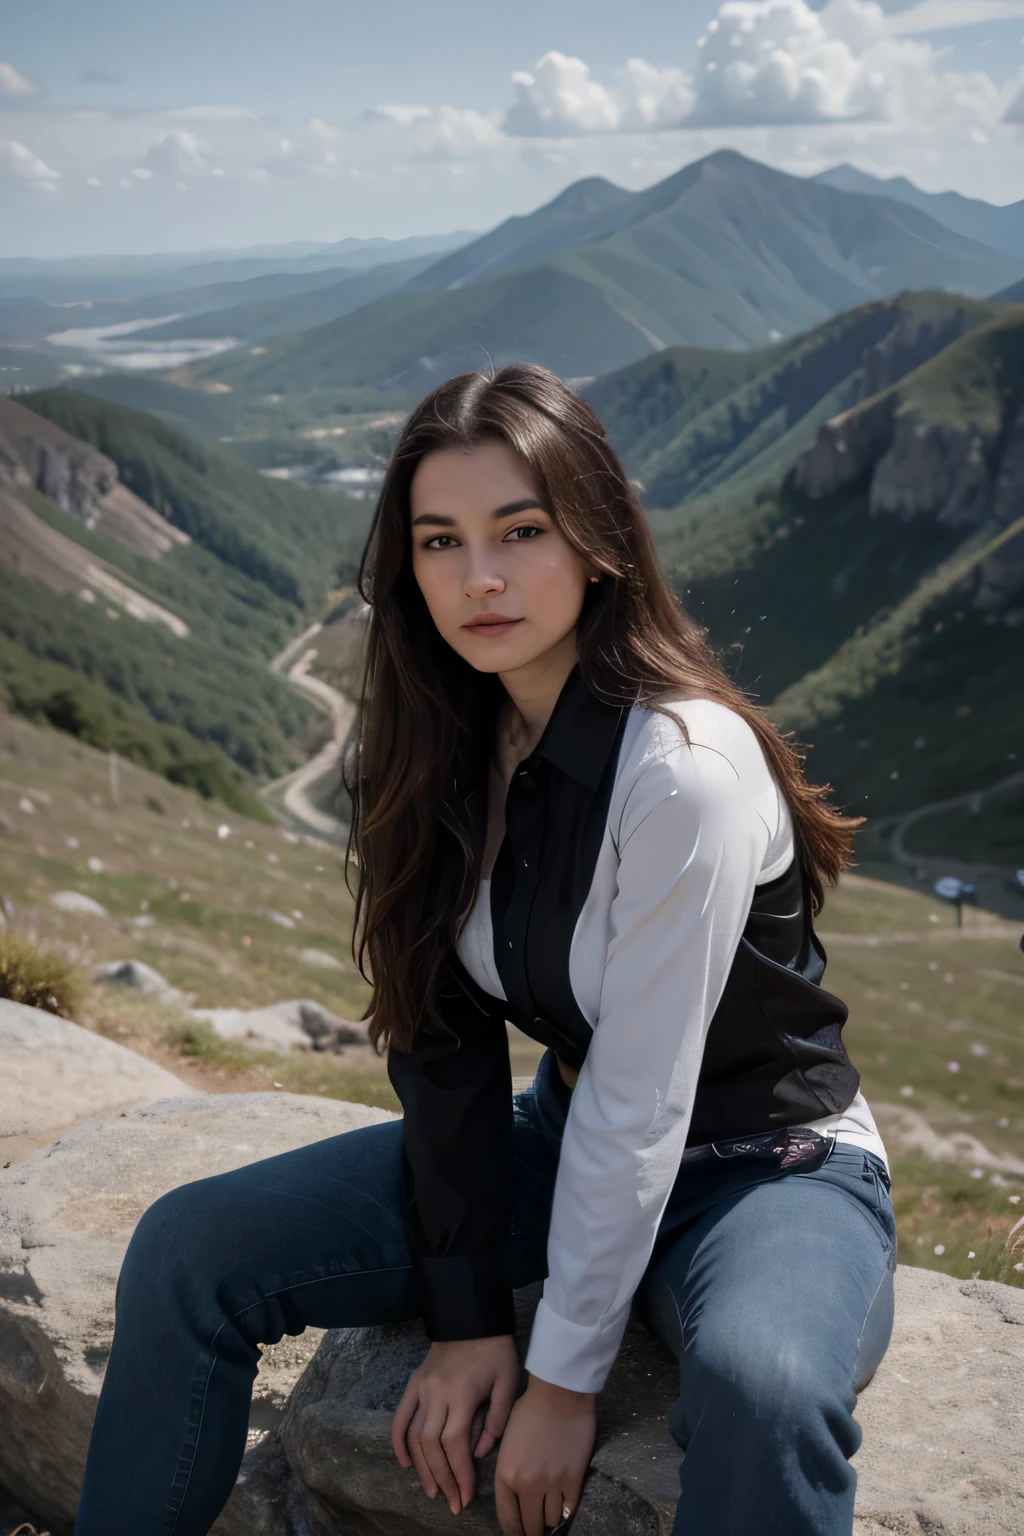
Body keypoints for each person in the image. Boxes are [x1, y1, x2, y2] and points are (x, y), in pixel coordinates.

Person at [74, 363, 896, 1536]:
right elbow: (444, 1043)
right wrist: (468, 1318)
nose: (482, 578)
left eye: (521, 530)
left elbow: (645, 1095)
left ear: (600, 537)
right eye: (439, 541)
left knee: (764, 1389)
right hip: (566, 1144)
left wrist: (561, 1380)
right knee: (186, 1249)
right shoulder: (441, 737)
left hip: (765, 1172)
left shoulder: (685, 770)